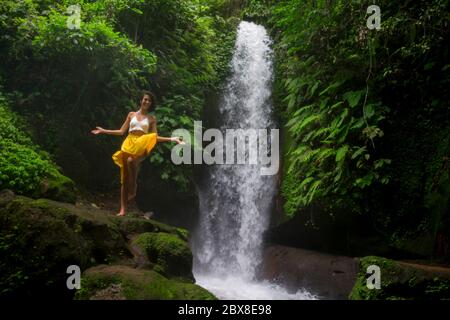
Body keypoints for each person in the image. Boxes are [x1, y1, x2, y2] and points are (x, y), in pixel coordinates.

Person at [91, 91, 184, 216]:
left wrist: (173, 139)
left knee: (131, 161)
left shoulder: (151, 119)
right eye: (145, 99)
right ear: (141, 100)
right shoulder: (131, 114)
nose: (146, 102)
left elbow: (154, 137)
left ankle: (134, 185)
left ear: (151, 104)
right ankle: (123, 210)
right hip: (129, 142)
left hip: (141, 143)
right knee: (124, 179)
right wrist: (103, 131)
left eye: (149, 101)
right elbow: (121, 131)